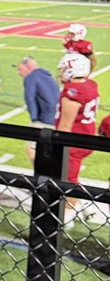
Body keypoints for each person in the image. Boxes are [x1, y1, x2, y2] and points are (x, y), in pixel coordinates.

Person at [55, 52, 99, 225]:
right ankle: (82, 205)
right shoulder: (90, 84)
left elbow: (65, 125)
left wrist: (56, 144)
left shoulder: (73, 90)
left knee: (68, 180)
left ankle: (67, 217)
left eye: (64, 69)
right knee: (69, 177)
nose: (61, 73)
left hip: (74, 142)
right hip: (86, 137)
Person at [17, 55, 61, 166]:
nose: (19, 73)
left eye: (20, 69)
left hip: (43, 119)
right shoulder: (48, 76)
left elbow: (30, 98)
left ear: (28, 67)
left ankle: (39, 174)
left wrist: (34, 119)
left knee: (31, 147)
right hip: (56, 118)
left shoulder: (31, 78)